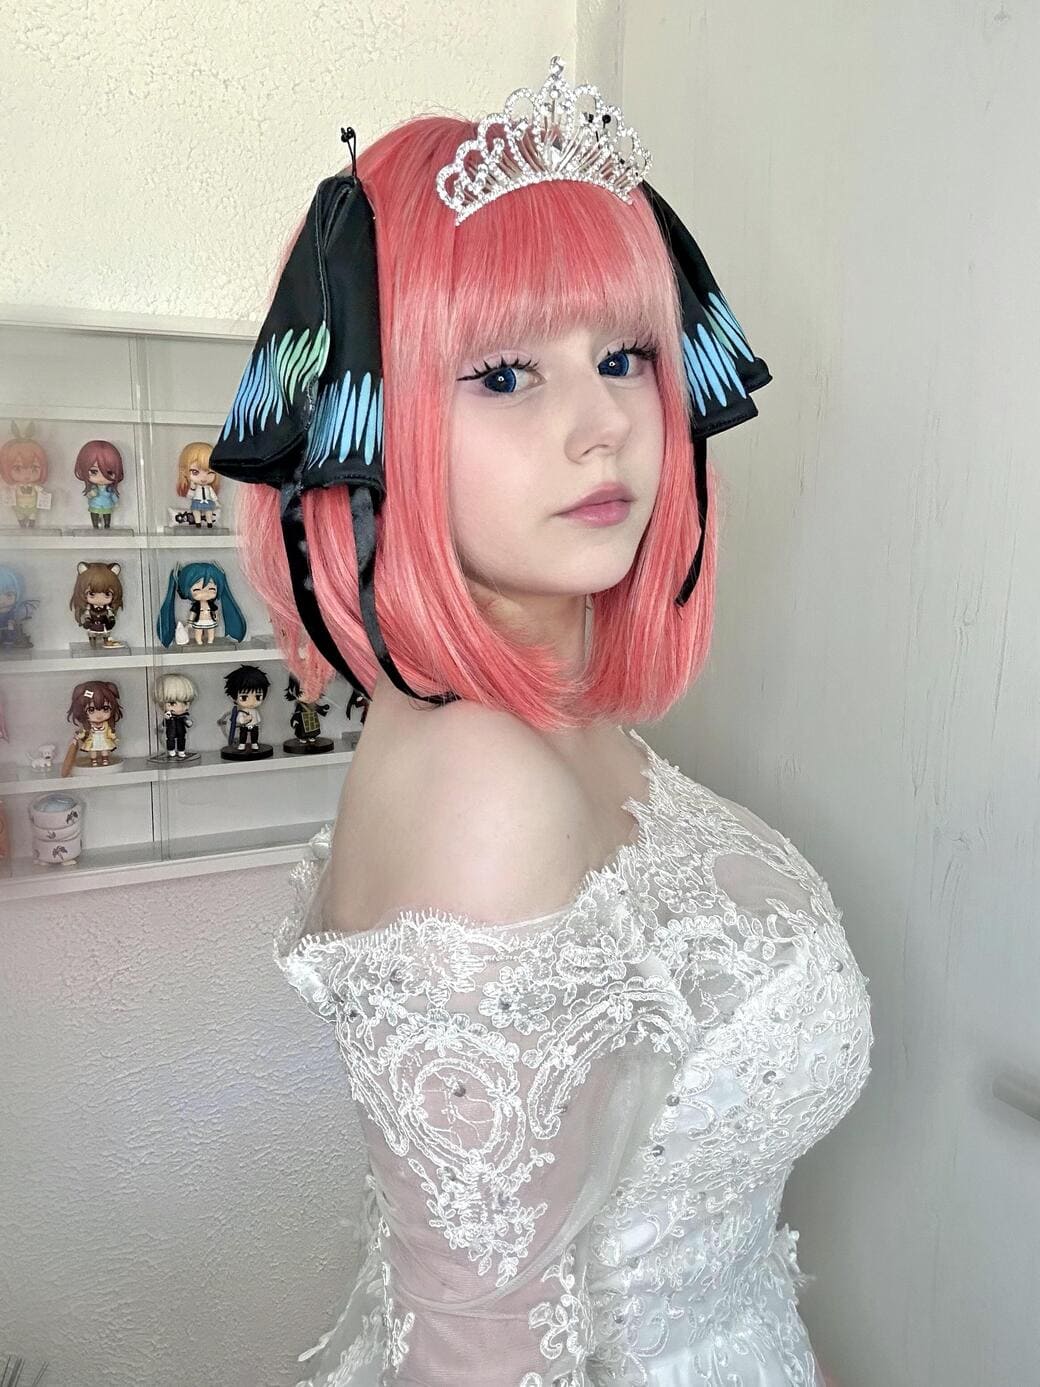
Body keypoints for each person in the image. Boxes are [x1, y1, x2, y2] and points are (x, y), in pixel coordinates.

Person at [217, 57, 872, 1387]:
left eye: (624, 357)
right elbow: (477, 1351)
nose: (605, 427)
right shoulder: (482, 782)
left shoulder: (551, 726)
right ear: (373, 426)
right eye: (507, 373)